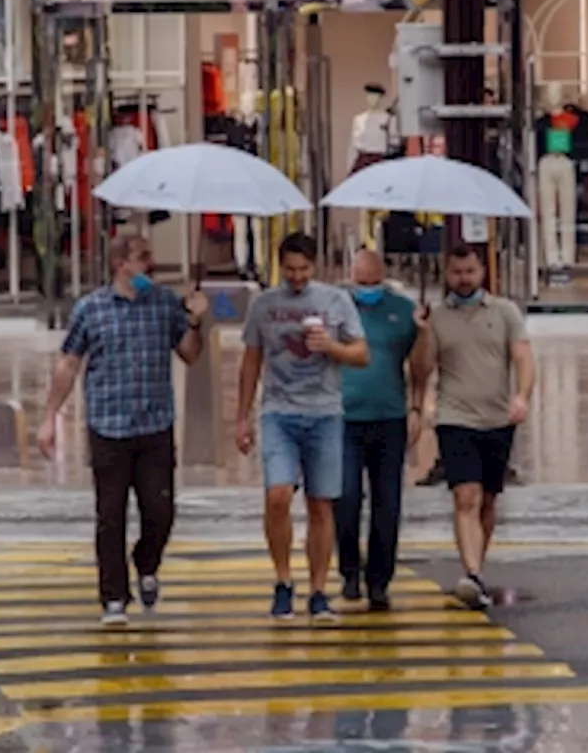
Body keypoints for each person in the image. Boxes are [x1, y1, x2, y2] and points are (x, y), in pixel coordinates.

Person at [37, 235, 208, 627]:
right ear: (120, 264)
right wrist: (50, 416)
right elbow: (68, 364)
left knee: (160, 510)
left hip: (154, 424)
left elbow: (190, 354)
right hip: (108, 426)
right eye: (142, 258)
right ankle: (113, 596)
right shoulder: (91, 309)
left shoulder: (164, 305)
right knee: (110, 516)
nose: (150, 265)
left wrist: (195, 319)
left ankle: (147, 563)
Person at [236, 232, 369, 622]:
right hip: (278, 411)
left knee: (321, 503)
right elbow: (250, 361)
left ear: (315, 267)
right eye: (290, 270)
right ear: (280, 265)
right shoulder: (264, 305)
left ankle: (317, 589)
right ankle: (282, 580)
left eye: (304, 270)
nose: (297, 277)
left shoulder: (335, 301)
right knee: (277, 495)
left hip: (325, 411)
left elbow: (361, 354)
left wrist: (332, 347)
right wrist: (242, 417)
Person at [414, 244, 534, 610]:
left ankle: (476, 570)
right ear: (446, 273)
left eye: (470, 272)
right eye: (456, 272)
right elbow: (420, 370)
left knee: (488, 500)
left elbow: (523, 358)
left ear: (482, 271)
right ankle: (472, 573)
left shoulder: (505, 312)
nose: (463, 280)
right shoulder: (434, 317)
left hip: (497, 418)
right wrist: (420, 332)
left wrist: (522, 396)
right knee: (465, 496)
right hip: (455, 418)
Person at [335, 250, 429, 612]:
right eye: (362, 283)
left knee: (387, 503)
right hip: (343, 417)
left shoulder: (402, 310)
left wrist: (417, 408)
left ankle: (379, 579)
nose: (368, 290)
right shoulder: (336, 305)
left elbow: (420, 368)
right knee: (344, 497)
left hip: (389, 417)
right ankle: (348, 570)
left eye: (374, 283)